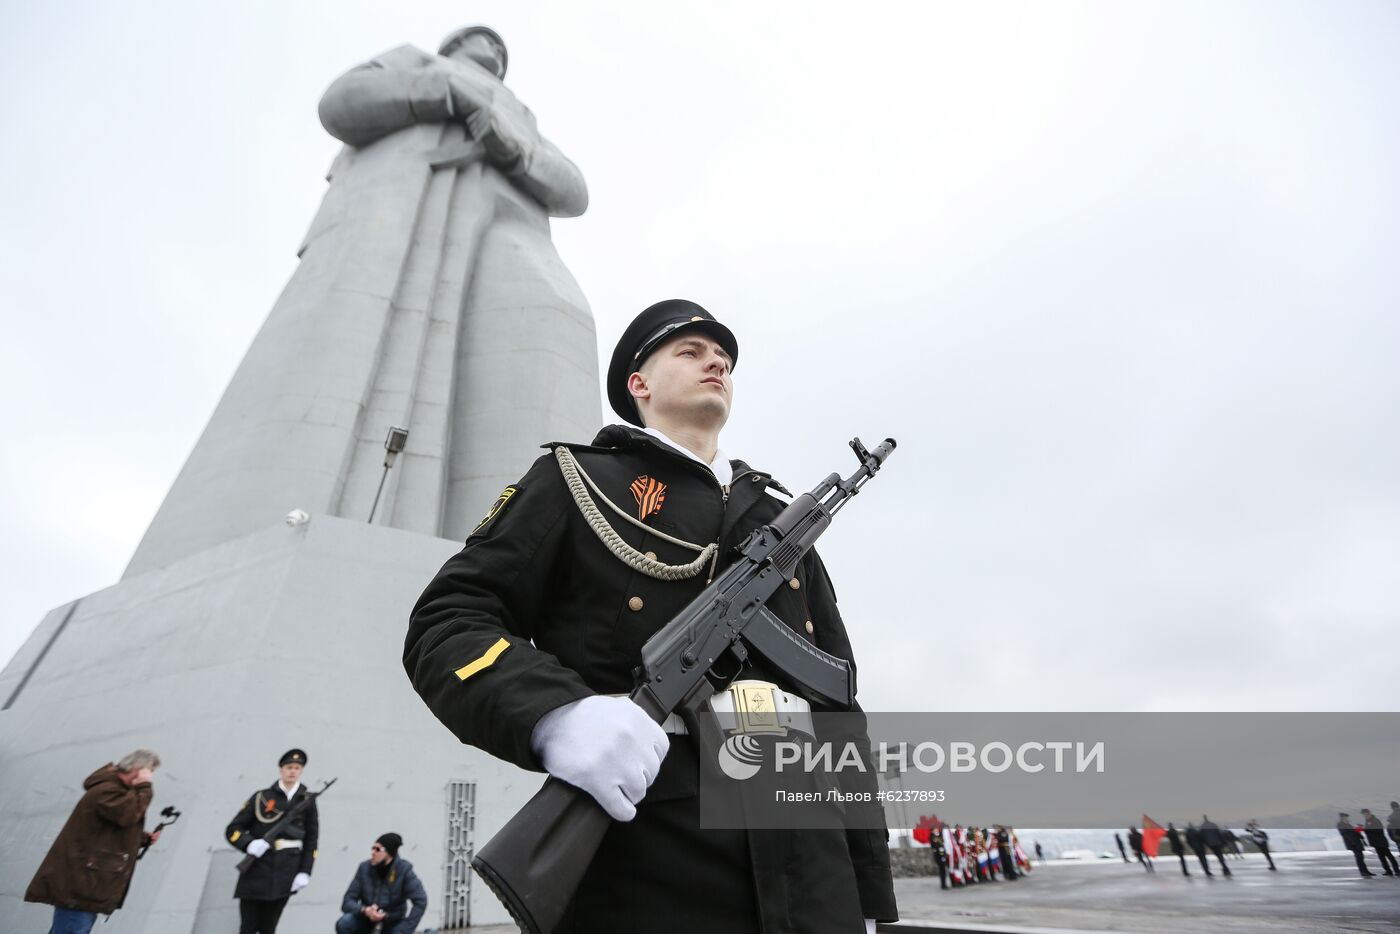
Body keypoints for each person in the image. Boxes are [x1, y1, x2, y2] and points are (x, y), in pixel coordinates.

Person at [406, 299, 898, 933]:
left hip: (810, 854)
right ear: (638, 384)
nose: (715, 362)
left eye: (722, 357)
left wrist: (869, 889)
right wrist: (558, 714)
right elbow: (448, 622)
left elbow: (839, 709)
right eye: (689, 352)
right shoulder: (577, 481)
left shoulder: (781, 524)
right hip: (652, 852)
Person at [24, 750, 162, 934]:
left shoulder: (115, 792)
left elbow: (110, 829)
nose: (150, 776)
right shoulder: (107, 790)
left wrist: (142, 838)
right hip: (82, 884)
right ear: (137, 769)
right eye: (149, 771)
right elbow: (127, 814)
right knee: (73, 929)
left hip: (88, 882)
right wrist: (145, 787)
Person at [225, 749, 320, 934]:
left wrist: (305, 871)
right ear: (281, 769)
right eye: (289, 767)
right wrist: (249, 844)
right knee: (248, 927)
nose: (292, 771)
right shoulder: (262, 797)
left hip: (286, 871)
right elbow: (233, 829)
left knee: (269, 928)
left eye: (297, 768)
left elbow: (311, 839)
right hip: (257, 869)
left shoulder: (307, 801)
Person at [336, 833, 428, 934]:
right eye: (373, 848)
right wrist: (365, 910)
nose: (373, 852)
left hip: (393, 922)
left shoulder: (404, 870)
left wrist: (405, 930)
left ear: (389, 853)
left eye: (378, 849)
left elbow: (420, 900)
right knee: (344, 923)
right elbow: (347, 901)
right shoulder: (364, 868)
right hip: (366, 920)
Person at [1361, 808, 1399, 876]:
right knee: (1382, 858)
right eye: (1364, 815)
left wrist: (1367, 830)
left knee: (1389, 856)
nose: (1365, 816)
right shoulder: (1367, 821)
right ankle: (1388, 871)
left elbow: (1379, 831)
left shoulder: (1375, 820)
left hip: (1381, 842)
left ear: (1369, 813)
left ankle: (1397, 870)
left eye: (1366, 814)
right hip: (1375, 843)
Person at [1336, 812, 1373, 877]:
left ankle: (1365, 871)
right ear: (1342, 817)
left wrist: (1358, 830)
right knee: (1359, 858)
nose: (1347, 818)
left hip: (1356, 842)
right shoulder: (1341, 824)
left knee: (1361, 857)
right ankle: (1363, 871)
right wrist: (1354, 841)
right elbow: (1346, 834)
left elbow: (1352, 832)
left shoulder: (1347, 824)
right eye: (1346, 817)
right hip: (1353, 843)